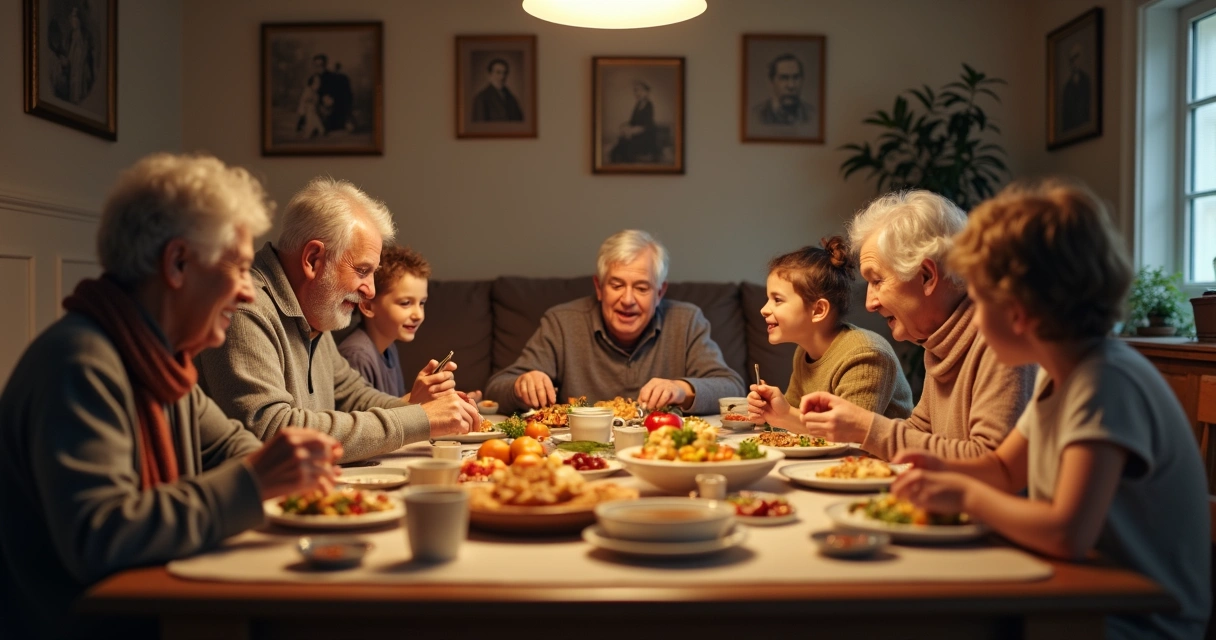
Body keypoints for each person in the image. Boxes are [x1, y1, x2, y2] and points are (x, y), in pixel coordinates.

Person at [0, 154, 342, 639]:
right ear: (178, 263)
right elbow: (100, 535)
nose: (249, 293)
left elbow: (231, 447)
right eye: (241, 268)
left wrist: (282, 471)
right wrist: (256, 481)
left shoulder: (160, 361)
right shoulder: (82, 362)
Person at [892, 179, 1211, 639]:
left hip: (1131, 621)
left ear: (1019, 312)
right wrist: (931, 465)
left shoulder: (1105, 382)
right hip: (1080, 594)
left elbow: (1066, 533)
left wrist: (963, 496)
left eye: (980, 302)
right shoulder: (1059, 374)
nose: (974, 318)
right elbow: (1004, 468)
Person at [197, 177, 480, 462]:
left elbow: (351, 394)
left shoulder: (312, 309)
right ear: (313, 259)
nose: (370, 289)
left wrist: (422, 409)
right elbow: (271, 430)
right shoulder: (244, 310)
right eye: (362, 270)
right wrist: (420, 420)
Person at [798, 191, 1036, 460]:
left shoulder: (999, 340)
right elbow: (921, 433)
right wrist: (853, 434)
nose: (870, 304)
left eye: (877, 281)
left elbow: (991, 464)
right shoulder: (939, 341)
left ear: (926, 276)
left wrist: (866, 427)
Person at [485, 230, 746, 414]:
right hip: (580, 453)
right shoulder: (561, 322)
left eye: (642, 288)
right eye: (617, 285)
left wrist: (681, 389)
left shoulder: (687, 321)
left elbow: (732, 388)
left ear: (660, 292)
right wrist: (522, 385)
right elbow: (496, 389)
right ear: (599, 288)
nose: (628, 300)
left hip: (661, 451)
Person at [747, 237, 912, 431]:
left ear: (818, 310)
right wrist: (770, 413)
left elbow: (851, 435)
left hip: (879, 460)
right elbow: (795, 417)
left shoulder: (866, 355)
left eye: (777, 300)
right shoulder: (804, 353)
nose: (764, 310)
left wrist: (784, 415)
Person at [337, 245, 430, 396]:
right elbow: (363, 417)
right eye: (405, 303)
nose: (418, 314)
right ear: (367, 306)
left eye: (422, 303)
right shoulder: (357, 356)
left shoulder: (389, 347)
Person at [752, 53, 813, 126]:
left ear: (802, 80)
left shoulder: (812, 114)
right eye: (784, 78)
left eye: (796, 77)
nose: (791, 85)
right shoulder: (756, 115)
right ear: (771, 81)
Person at [609, 81, 659, 163]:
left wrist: (631, 131)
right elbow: (632, 121)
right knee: (617, 149)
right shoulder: (638, 104)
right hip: (636, 133)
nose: (637, 93)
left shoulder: (649, 105)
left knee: (626, 147)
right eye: (635, 90)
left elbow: (646, 126)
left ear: (646, 92)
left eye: (640, 90)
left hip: (646, 136)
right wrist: (624, 126)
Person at [471, 57, 524, 122]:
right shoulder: (481, 98)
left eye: (505, 73)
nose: (502, 76)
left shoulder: (511, 97)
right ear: (489, 74)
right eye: (498, 72)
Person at [1061, 43, 1091, 131]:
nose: (1074, 61)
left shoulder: (1086, 80)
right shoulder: (1067, 87)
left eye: (1076, 57)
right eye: (1071, 59)